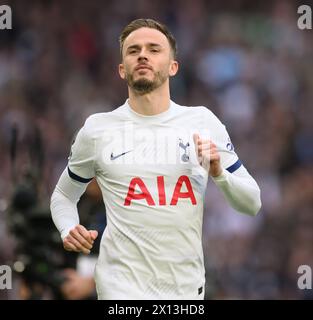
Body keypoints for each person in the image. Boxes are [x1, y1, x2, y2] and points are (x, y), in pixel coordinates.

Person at [50, 18, 261, 300]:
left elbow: (252, 204)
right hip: (119, 291)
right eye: (133, 50)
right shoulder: (98, 129)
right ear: (122, 69)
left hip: (184, 292)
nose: (143, 55)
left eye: (154, 49)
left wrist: (220, 174)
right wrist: (68, 228)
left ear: (173, 66)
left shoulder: (202, 122)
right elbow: (63, 195)